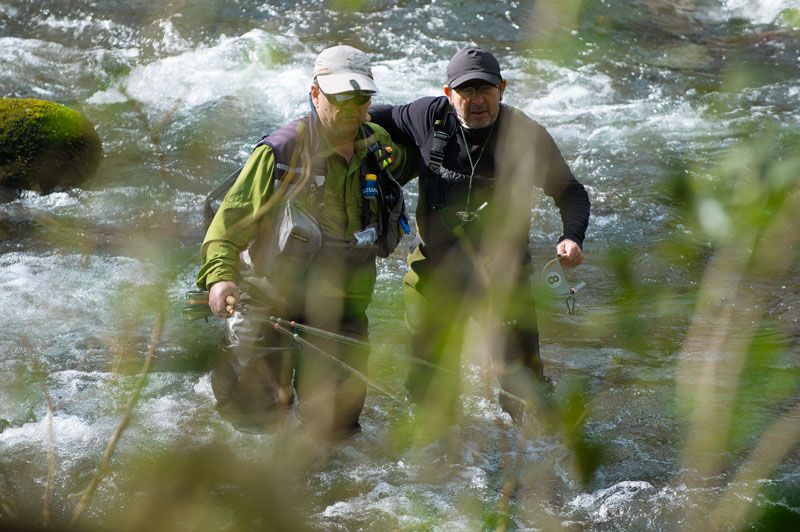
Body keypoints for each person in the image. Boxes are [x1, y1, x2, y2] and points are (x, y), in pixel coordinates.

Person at [196, 45, 416, 440]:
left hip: (343, 308)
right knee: (251, 428)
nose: (352, 107)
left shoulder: (377, 145)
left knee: (334, 434)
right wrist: (220, 279)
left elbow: (417, 156)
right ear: (315, 93)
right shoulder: (280, 153)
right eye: (341, 97)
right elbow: (227, 225)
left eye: (362, 98)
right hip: (270, 303)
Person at [369, 46, 590, 424]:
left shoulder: (525, 136)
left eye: (485, 89)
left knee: (524, 392)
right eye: (466, 91)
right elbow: (378, 116)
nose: (477, 100)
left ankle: (535, 449)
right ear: (448, 93)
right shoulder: (427, 116)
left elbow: (571, 192)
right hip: (435, 267)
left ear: (501, 88)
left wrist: (572, 237)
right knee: (429, 389)